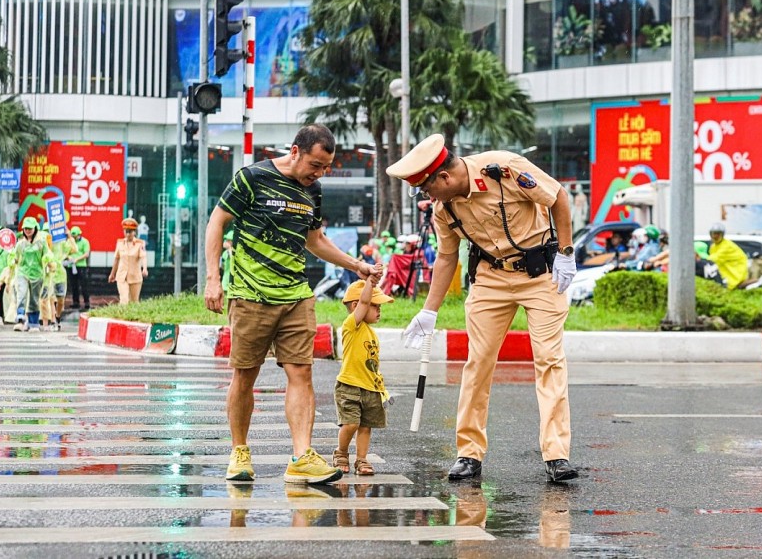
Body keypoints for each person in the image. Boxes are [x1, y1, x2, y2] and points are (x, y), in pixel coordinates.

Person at [387, 133, 579, 482]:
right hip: (490, 277)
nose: (428, 198)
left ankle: (556, 456)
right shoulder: (443, 209)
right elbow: (446, 257)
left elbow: (558, 198)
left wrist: (565, 252)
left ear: (444, 178)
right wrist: (429, 310)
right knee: (477, 363)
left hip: (540, 275)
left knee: (549, 359)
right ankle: (469, 454)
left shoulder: (504, 169)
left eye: (428, 189)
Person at [203, 124, 375, 485]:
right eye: (315, 164)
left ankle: (300, 457)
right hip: (251, 294)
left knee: (302, 373)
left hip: (296, 295)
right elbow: (217, 222)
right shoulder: (252, 177)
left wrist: (354, 264)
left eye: (325, 167)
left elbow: (315, 241)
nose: (319, 173)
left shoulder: (313, 191)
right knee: (245, 375)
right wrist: (213, 279)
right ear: (295, 151)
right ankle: (239, 452)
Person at [331, 270, 391, 476]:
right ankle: (341, 453)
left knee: (366, 426)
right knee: (351, 423)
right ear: (356, 306)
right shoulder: (352, 326)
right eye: (376, 305)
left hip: (371, 388)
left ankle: (362, 459)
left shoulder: (371, 332)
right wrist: (370, 283)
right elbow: (364, 303)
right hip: (350, 385)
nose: (379, 309)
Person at [10, 217, 50, 332]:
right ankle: (20, 318)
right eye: (25, 228)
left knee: (34, 299)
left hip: (37, 274)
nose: (27, 230)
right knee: (21, 294)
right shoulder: (20, 244)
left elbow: (47, 255)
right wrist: (13, 261)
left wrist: (49, 263)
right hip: (23, 273)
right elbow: (14, 257)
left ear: (35, 229)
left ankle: (33, 323)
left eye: (30, 228)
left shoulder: (42, 242)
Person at [108, 218, 149, 304]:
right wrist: (112, 274)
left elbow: (143, 257)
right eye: (126, 231)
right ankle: (121, 316)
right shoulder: (120, 243)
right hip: (122, 276)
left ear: (134, 232)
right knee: (124, 299)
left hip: (135, 277)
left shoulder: (139, 244)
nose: (128, 234)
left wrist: (144, 269)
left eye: (130, 231)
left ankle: (131, 317)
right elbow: (116, 259)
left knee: (134, 301)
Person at [707, 222, 748, 289]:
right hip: (725, 274)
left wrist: (699, 261)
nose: (715, 236)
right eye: (713, 233)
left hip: (735, 275)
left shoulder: (727, 246)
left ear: (722, 234)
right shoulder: (713, 246)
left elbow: (713, 259)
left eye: (717, 234)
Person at [66, 226, 91, 310]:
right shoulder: (69, 242)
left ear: (79, 234)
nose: (74, 238)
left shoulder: (85, 242)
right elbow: (65, 252)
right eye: (73, 236)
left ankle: (86, 302)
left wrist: (77, 259)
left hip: (81, 266)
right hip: (71, 266)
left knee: (84, 284)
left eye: (75, 236)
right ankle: (75, 302)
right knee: (73, 285)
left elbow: (86, 254)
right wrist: (69, 257)